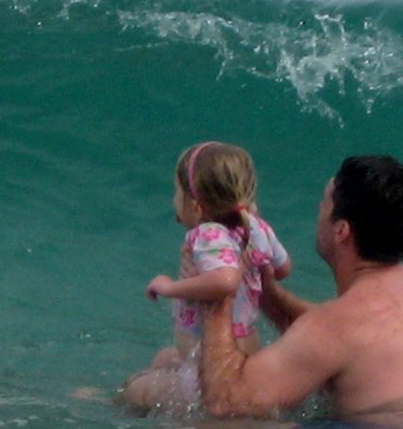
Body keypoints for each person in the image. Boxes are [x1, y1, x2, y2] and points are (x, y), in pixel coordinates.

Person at [198, 154, 403, 419]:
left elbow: (227, 401)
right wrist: (269, 297)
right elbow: (346, 341)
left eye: (324, 203)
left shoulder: (336, 326)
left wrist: (217, 291)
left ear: (341, 231)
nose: (318, 210)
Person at [120, 141, 291, 413]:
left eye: (177, 192)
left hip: (207, 377)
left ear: (196, 207)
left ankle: (114, 404)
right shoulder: (257, 227)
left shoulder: (208, 234)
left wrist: (171, 287)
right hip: (246, 361)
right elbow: (283, 268)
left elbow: (225, 281)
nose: (173, 200)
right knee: (164, 358)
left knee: (135, 389)